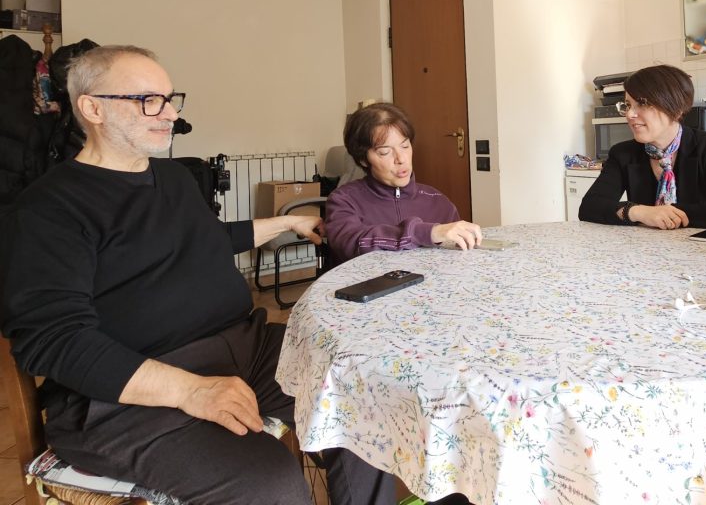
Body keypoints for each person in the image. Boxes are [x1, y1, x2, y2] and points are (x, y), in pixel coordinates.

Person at [0, 45, 394, 505]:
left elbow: (209, 238)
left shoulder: (174, 179)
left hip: (243, 349)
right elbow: (53, 339)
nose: (170, 113)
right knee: (269, 480)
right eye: (148, 101)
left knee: (364, 392)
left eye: (170, 99)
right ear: (92, 108)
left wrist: (286, 222)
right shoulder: (49, 208)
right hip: (126, 395)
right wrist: (190, 390)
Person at [579, 64, 706, 230]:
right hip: (645, 246)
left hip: (701, 245)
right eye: (628, 105)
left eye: (642, 103)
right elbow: (590, 207)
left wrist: (665, 214)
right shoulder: (623, 153)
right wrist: (639, 212)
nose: (630, 114)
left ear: (676, 109)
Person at [325, 102, 482, 264]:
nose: (401, 159)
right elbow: (351, 242)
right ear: (362, 159)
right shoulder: (343, 200)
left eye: (405, 146)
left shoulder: (437, 201)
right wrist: (427, 233)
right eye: (385, 152)